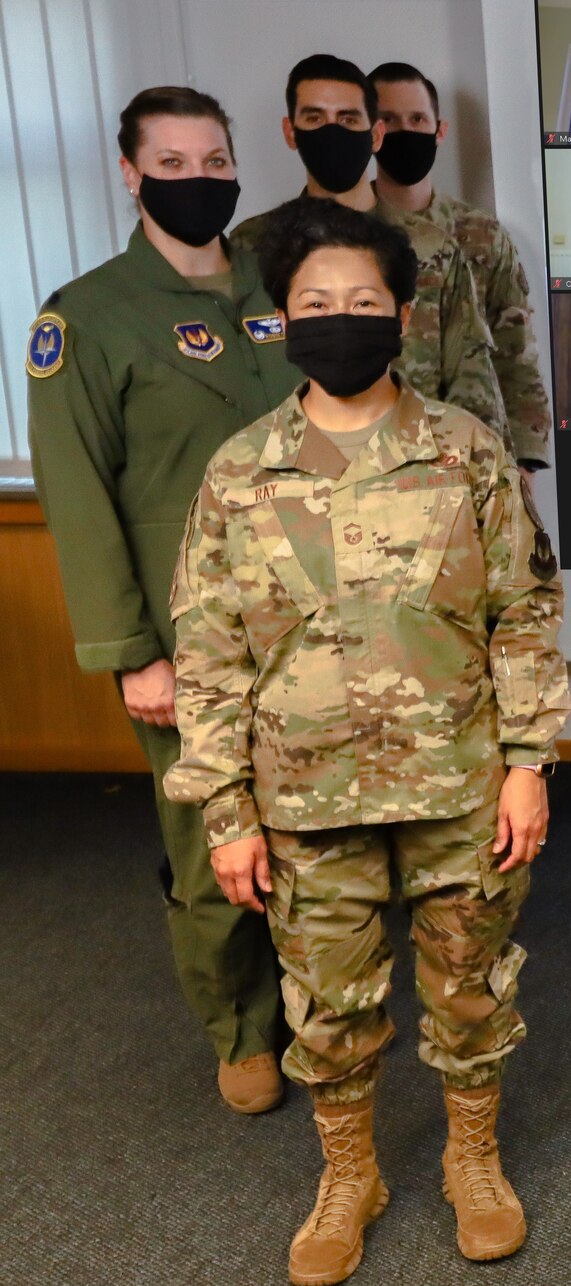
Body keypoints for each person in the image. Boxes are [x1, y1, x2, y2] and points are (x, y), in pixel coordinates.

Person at [166, 197, 568, 1286]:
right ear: (282, 318)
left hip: (459, 786)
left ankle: (471, 1162)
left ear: (400, 313)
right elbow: (205, 654)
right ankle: (351, 1177)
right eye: (315, 303)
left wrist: (529, 763)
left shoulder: (465, 451)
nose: (339, 318)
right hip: (303, 800)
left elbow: (523, 613)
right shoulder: (240, 471)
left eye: (361, 302)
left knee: (469, 989)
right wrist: (226, 814)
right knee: (331, 1009)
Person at [26, 86, 295, 1119]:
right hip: (186, 634)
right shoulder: (84, 317)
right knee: (211, 839)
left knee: (314, 823)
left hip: (310, 615)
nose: (198, 180)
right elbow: (78, 495)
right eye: (172, 165)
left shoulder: (281, 286)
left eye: (213, 160)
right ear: (130, 174)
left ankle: (320, 1005)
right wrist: (132, 652)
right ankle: (240, 1029)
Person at [234, 55, 509, 457]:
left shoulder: (432, 246)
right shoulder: (251, 245)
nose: (331, 131)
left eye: (347, 119)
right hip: (294, 481)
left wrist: (481, 474)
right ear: (290, 131)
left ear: (376, 134)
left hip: (420, 472)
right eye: (314, 118)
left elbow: (472, 380)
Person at [369, 61, 553, 471]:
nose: (405, 131)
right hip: (377, 462)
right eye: (389, 120)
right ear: (372, 131)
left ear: (440, 130)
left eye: (417, 119)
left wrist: (525, 462)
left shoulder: (482, 234)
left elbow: (517, 354)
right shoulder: (347, 235)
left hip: (476, 459)